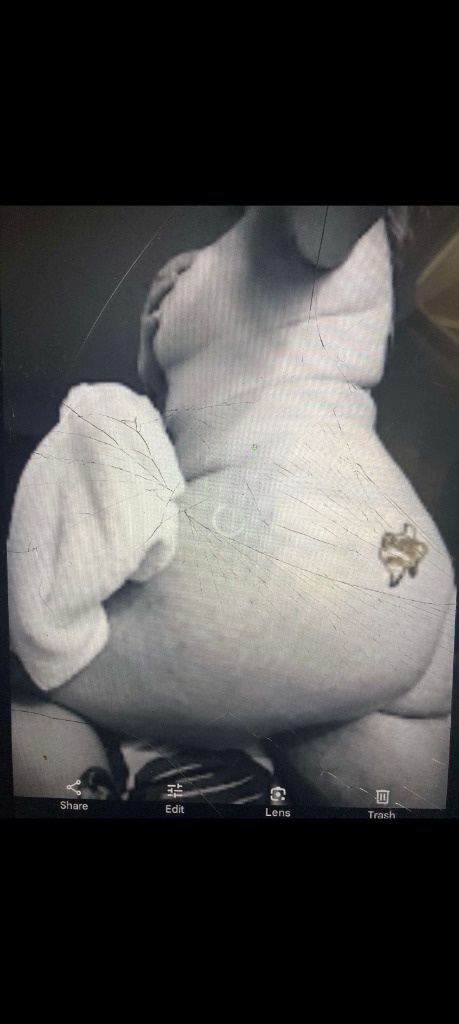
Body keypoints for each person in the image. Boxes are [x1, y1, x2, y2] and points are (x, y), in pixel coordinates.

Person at [9, 206, 456, 808]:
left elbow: (323, 234)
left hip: (289, 538)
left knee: (104, 421)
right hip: (415, 569)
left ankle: (105, 742)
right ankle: (239, 747)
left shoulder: (307, 232)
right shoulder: (319, 276)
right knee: (345, 738)